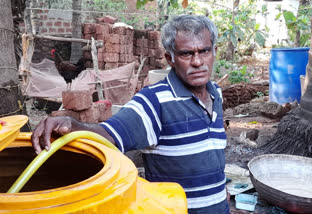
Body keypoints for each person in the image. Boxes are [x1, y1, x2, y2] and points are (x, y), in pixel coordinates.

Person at [32, 15, 229, 213]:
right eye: (186, 54)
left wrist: (221, 192)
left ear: (214, 52)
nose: (197, 61)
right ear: (170, 59)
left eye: (204, 51)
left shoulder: (215, 94)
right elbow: (111, 134)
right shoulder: (154, 101)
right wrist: (72, 124)